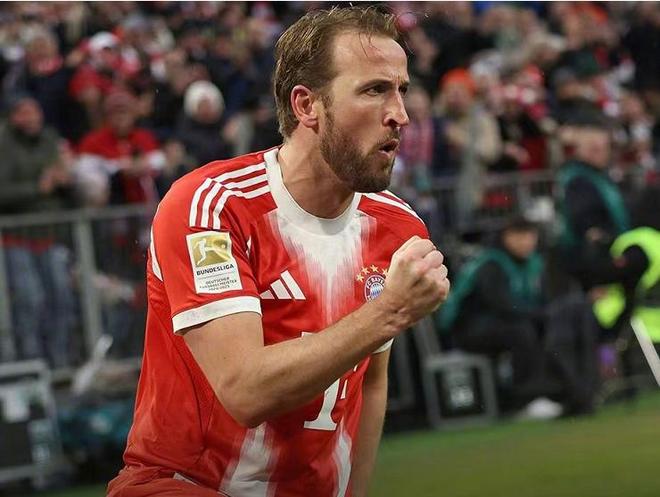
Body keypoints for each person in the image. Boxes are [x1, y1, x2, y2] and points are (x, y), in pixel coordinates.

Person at [107, 7, 450, 497]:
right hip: (183, 486)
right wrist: (389, 310)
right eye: (375, 90)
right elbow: (245, 390)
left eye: (402, 90)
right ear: (307, 106)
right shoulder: (211, 207)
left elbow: (370, 383)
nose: (400, 114)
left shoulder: (398, 226)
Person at [439, 217, 598, 417]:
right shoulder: (490, 264)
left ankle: (567, 390)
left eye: (530, 236)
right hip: (468, 329)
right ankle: (526, 398)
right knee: (522, 331)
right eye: (520, 236)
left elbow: (542, 301)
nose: (526, 242)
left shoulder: (534, 263)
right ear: (507, 238)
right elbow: (500, 305)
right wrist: (541, 315)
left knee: (547, 325)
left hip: (507, 324)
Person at [0, 94, 77, 367]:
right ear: (13, 117)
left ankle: (60, 364)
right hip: (16, 237)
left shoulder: (50, 139)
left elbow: (61, 180)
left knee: (61, 298)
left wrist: (65, 180)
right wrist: (38, 188)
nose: (32, 117)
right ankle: (31, 365)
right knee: (30, 300)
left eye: (35, 111)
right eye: (24, 112)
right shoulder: (4, 144)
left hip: (50, 233)